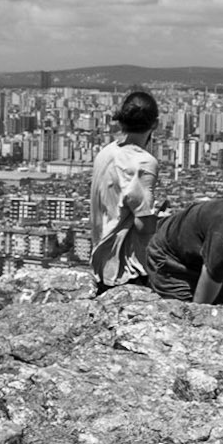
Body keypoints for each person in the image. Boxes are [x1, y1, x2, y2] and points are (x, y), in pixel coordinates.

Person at [89, 90, 159, 292]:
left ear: (121, 122)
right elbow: (144, 225)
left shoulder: (106, 153)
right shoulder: (143, 162)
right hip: (128, 270)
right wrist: (160, 217)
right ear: (154, 124)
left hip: (101, 265)